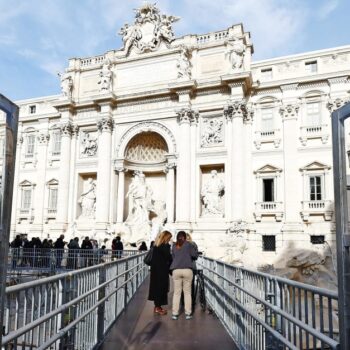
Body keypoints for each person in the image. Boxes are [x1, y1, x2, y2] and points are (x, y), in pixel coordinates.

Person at [170, 231, 198, 320]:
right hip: (187, 270)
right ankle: (188, 313)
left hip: (176, 270)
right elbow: (194, 255)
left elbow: (173, 257)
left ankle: (175, 313)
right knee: (187, 293)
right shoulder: (189, 245)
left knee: (176, 293)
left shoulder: (174, 246)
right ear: (185, 237)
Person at [148, 230, 172, 316]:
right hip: (162, 271)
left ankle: (157, 306)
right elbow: (168, 257)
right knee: (161, 288)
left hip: (155, 270)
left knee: (156, 288)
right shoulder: (164, 246)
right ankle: (158, 308)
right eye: (169, 238)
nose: (169, 240)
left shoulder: (156, 246)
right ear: (166, 238)